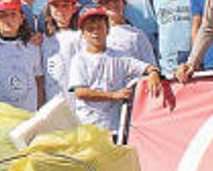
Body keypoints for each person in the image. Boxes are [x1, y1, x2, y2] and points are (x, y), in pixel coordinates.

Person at [68, 7, 161, 135]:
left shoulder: (121, 57)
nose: (96, 33)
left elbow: (148, 67)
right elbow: (80, 92)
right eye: (90, 29)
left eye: (99, 27)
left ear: (107, 30)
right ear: (83, 34)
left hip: (116, 129)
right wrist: (114, 95)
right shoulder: (79, 60)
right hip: (88, 129)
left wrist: (153, 74)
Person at [0, 0, 44, 111]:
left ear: (21, 18)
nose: (8, 19)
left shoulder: (32, 48)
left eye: (13, 14)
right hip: (3, 116)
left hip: (28, 115)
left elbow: (39, 82)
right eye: (2, 15)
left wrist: (40, 109)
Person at [93, 0, 157, 65]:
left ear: (124, 3)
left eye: (116, 0)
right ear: (99, 7)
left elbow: (151, 67)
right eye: (106, 2)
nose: (112, 4)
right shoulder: (94, 35)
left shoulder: (138, 34)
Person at [41, 0, 81, 104]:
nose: (61, 10)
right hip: (51, 102)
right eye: (56, 6)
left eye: (65, 5)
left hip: (74, 102)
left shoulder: (80, 36)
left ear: (74, 8)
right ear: (49, 9)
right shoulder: (43, 39)